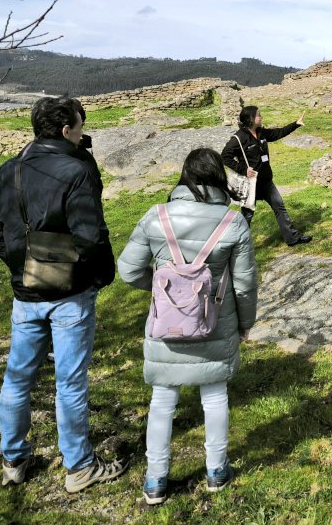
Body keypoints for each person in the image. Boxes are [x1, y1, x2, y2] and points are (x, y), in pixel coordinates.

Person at [0, 96, 127, 493]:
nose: (83, 134)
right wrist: (101, 275)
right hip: (71, 292)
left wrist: (21, 264)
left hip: (24, 293)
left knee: (17, 378)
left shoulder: (7, 171)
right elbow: (91, 236)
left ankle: (14, 459)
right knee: (70, 381)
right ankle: (79, 465)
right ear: (67, 131)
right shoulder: (76, 170)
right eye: (80, 127)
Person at [117, 148, 258, 505]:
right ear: (218, 180)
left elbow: (128, 269)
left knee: (163, 399)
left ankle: (155, 479)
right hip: (215, 322)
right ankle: (216, 470)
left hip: (166, 324)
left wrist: (163, 289)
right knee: (214, 396)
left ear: (185, 177)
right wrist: (246, 323)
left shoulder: (156, 216)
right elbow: (244, 283)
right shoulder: (233, 222)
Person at [221, 105, 311, 245]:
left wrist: (295, 124)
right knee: (247, 215)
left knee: (279, 206)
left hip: (265, 180)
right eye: (258, 115)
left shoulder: (261, 132)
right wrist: (243, 169)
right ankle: (236, 244)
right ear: (251, 119)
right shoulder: (238, 138)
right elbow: (225, 156)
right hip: (250, 184)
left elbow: (277, 133)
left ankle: (293, 238)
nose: (261, 117)